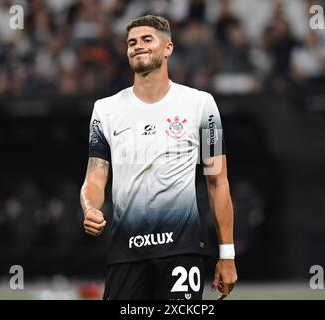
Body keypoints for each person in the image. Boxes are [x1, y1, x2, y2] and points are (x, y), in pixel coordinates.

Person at [80, 15, 238, 300]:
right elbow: (96, 174)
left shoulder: (201, 105)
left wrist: (227, 255)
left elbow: (218, 183)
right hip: (125, 251)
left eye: (146, 39)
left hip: (182, 251)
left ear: (168, 48)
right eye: (131, 42)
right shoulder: (105, 110)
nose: (137, 46)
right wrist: (90, 206)